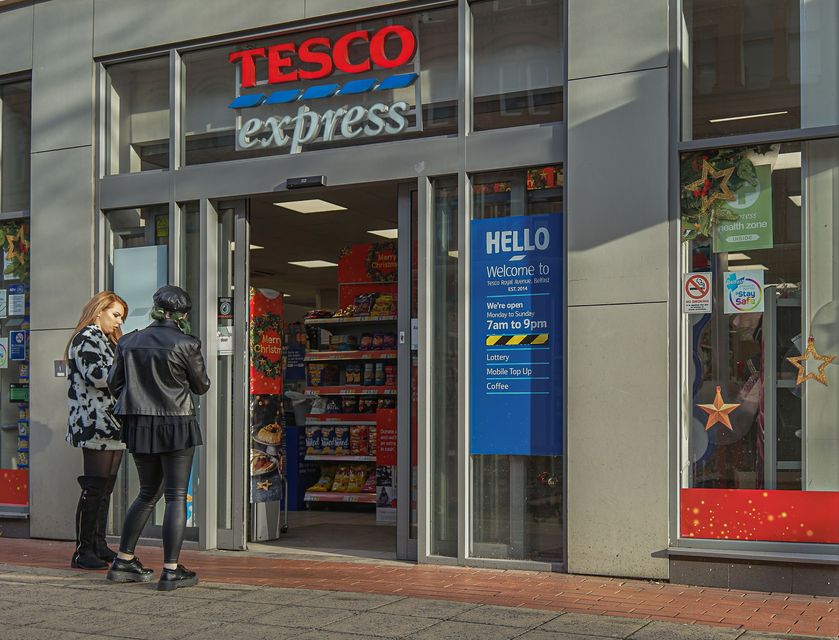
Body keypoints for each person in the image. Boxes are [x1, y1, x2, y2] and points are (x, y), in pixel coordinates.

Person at [106, 285, 210, 590]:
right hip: (177, 422)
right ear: (183, 315)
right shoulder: (187, 343)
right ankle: (171, 570)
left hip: (139, 423)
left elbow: (115, 385)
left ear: (154, 309)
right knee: (176, 495)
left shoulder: (128, 341)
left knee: (147, 492)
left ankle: (123, 562)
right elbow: (201, 385)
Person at [66, 291, 129, 570]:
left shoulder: (107, 340)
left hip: (111, 422)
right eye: (116, 315)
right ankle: (83, 551)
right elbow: (98, 376)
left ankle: (98, 544)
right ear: (99, 310)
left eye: (121, 317)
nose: (118, 322)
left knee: (105, 488)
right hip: (93, 422)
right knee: (94, 487)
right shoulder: (86, 339)